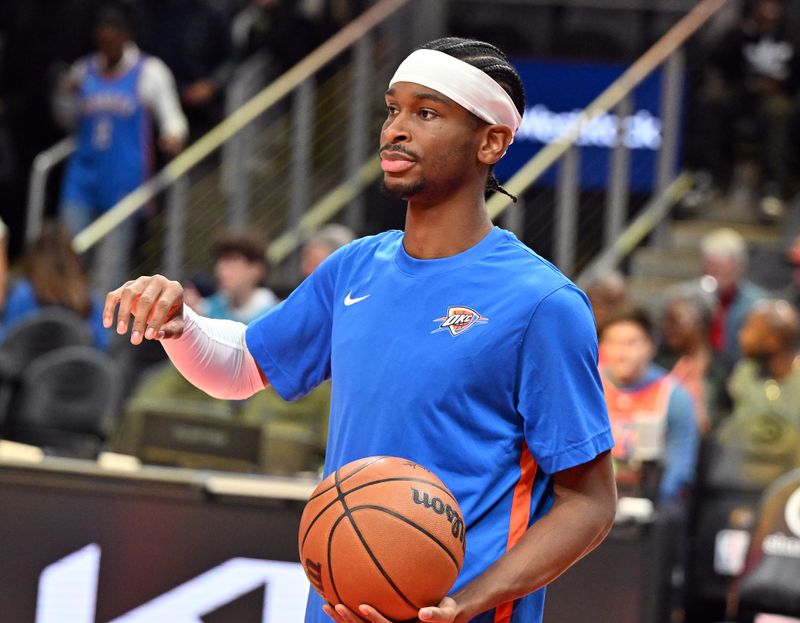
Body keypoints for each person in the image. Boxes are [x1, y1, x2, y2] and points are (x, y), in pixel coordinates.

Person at [104, 37, 617, 623]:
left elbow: (590, 503)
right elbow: (241, 366)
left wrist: (466, 603)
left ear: (492, 141)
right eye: (392, 109)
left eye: (426, 113)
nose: (395, 129)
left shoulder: (542, 303)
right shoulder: (353, 266)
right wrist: (180, 325)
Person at [56, 4, 188, 293]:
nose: (106, 45)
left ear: (126, 37)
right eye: (101, 40)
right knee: (67, 256)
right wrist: (65, 98)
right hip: (83, 175)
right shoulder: (84, 69)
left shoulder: (149, 71)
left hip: (124, 181)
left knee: (110, 269)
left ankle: (100, 333)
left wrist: (172, 136)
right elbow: (68, 121)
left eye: (111, 39)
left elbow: (173, 118)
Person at [688, 0, 800, 216]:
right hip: (742, 93)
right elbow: (717, 60)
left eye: (773, 5)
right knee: (711, 102)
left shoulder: (792, 34)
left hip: (777, 96)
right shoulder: (741, 31)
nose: (768, 11)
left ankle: (772, 187)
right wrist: (742, 33)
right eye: (763, 5)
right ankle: (710, 177)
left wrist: (782, 84)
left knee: (778, 111)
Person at [598, 304, 699, 502]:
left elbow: (680, 467)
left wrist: (652, 502)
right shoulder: (586, 388)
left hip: (647, 500)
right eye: (613, 342)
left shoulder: (674, 396)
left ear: (650, 346)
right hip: (593, 500)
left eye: (631, 343)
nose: (621, 353)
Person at [2, 222, 107, 349]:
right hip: (74, 365)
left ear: (35, 255)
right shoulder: (89, 299)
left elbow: (8, 339)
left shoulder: (24, 294)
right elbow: (103, 344)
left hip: (31, 364)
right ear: (72, 257)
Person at [699, 227, 768, 365]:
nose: (715, 275)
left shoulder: (758, 305)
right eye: (711, 267)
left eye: (721, 269)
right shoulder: (690, 300)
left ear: (739, 267)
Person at [186, 231, 279, 323]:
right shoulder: (209, 308)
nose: (220, 271)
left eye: (231, 262)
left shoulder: (274, 316)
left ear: (256, 270)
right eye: (220, 262)